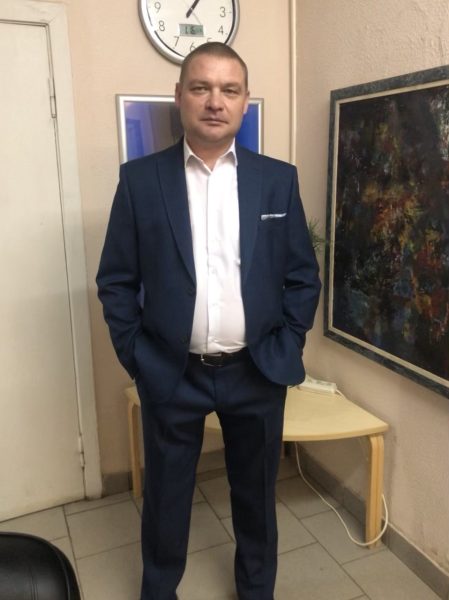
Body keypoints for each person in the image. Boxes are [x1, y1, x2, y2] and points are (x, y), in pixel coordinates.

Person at [97, 42, 321, 600]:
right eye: (201, 87)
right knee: (166, 499)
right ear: (179, 97)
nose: (215, 101)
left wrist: (289, 343)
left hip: (257, 370)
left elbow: (302, 276)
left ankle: (256, 592)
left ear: (244, 101)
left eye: (229, 90)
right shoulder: (141, 180)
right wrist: (138, 356)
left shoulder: (277, 180)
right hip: (172, 371)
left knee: (256, 497)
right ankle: (158, 591)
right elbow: (116, 280)